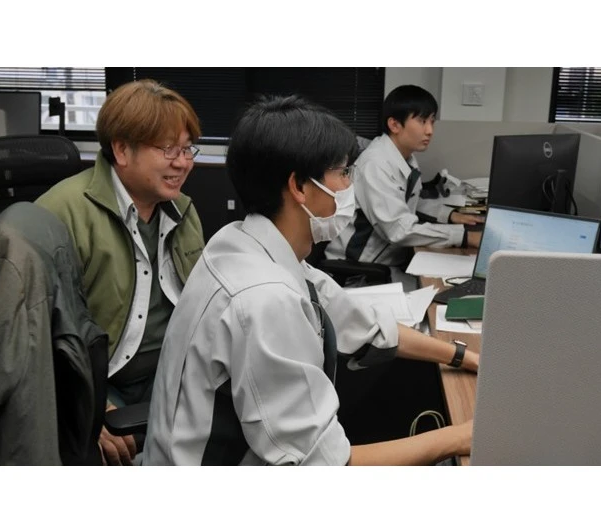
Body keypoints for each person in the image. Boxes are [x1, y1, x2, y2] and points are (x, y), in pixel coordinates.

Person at [143, 95, 478, 466]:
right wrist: (459, 437)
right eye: (343, 174)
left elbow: (364, 326)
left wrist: (464, 356)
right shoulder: (265, 299)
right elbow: (326, 465)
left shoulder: (247, 243)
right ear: (299, 187)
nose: (350, 186)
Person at [35, 79, 205, 465]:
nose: (183, 163)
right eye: (168, 149)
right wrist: (91, 407)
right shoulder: (62, 213)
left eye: (186, 149)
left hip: (172, 375)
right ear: (122, 150)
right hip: (101, 388)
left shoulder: (183, 210)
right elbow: (41, 334)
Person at [326, 84, 485, 267]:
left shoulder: (404, 157)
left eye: (432, 121)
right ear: (394, 124)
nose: (430, 130)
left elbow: (407, 201)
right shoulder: (375, 165)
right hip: (359, 268)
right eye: (422, 121)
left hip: (386, 261)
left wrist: (448, 215)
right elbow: (397, 230)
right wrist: (464, 237)